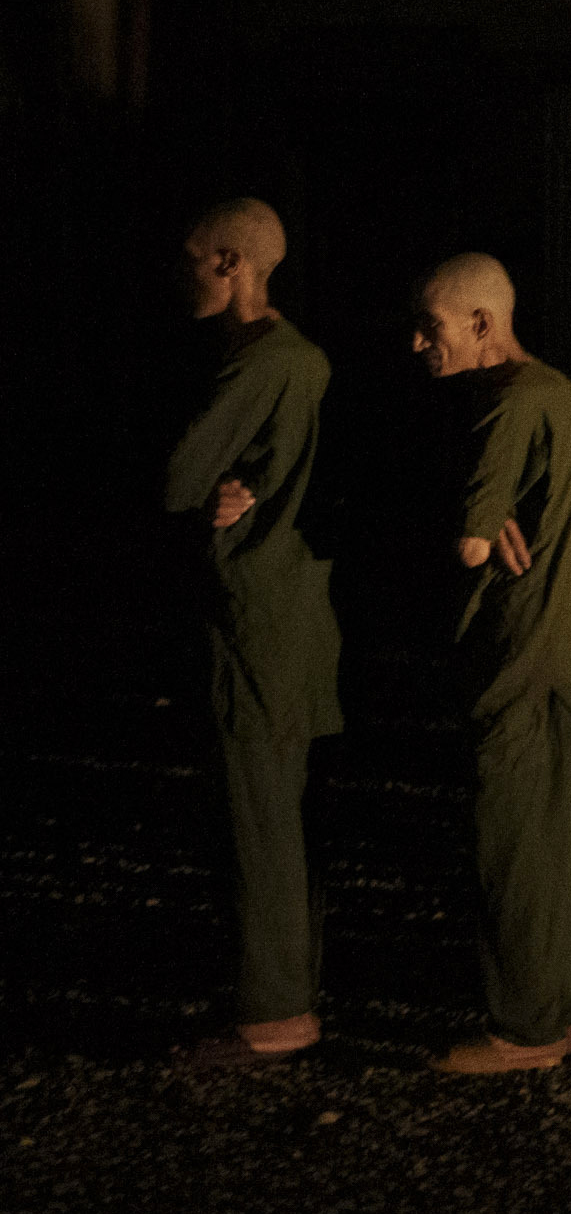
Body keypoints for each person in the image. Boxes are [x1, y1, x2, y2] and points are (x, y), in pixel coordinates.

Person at [411, 257, 571, 1079]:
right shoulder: (559, 392)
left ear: (484, 325)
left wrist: (469, 514)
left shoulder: (504, 402)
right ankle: (553, 1013)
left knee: (510, 842)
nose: (419, 342)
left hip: (522, 656)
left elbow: (467, 537)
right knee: (548, 842)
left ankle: (523, 1025)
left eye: (435, 326)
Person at [164, 198, 340, 1069]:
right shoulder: (289, 359)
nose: (184, 271)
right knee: (278, 807)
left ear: (232, 262)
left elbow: (176, 475)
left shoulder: (264, 363)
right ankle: (284, 992)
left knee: (257, 810)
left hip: (259, 616)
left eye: (196, 257)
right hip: (293, 614)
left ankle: (273, 1010)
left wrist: (215, 484)